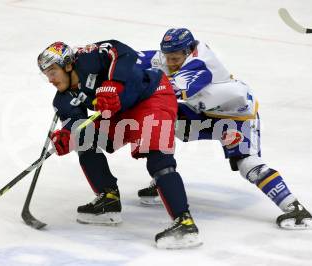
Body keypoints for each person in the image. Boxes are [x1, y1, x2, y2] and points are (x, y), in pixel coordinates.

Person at [136, 28, 312, 229]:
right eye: (167, 57)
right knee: (163, 125)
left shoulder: (200, 64)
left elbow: (171, 89)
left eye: (175, 59)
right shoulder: (171, 55)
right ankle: (164, 183)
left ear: (188, 51)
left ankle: (295, 208)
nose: (170, 63)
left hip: (236, 116)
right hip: (203, 111)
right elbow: (131, 59)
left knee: (248, 165)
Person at [37, 40, 202, 248]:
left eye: (53, 72)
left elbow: (121, 51)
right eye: (46, 74)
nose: (50, 79)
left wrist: (114, 83)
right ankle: (108, 200)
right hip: (122, 112)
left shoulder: (87, 59)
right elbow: (75, 124)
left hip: (152, 96)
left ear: (68, 65)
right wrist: (66, 136)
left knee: (156, 156)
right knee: (82, 138)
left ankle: (184, 222)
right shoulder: (63, 98)